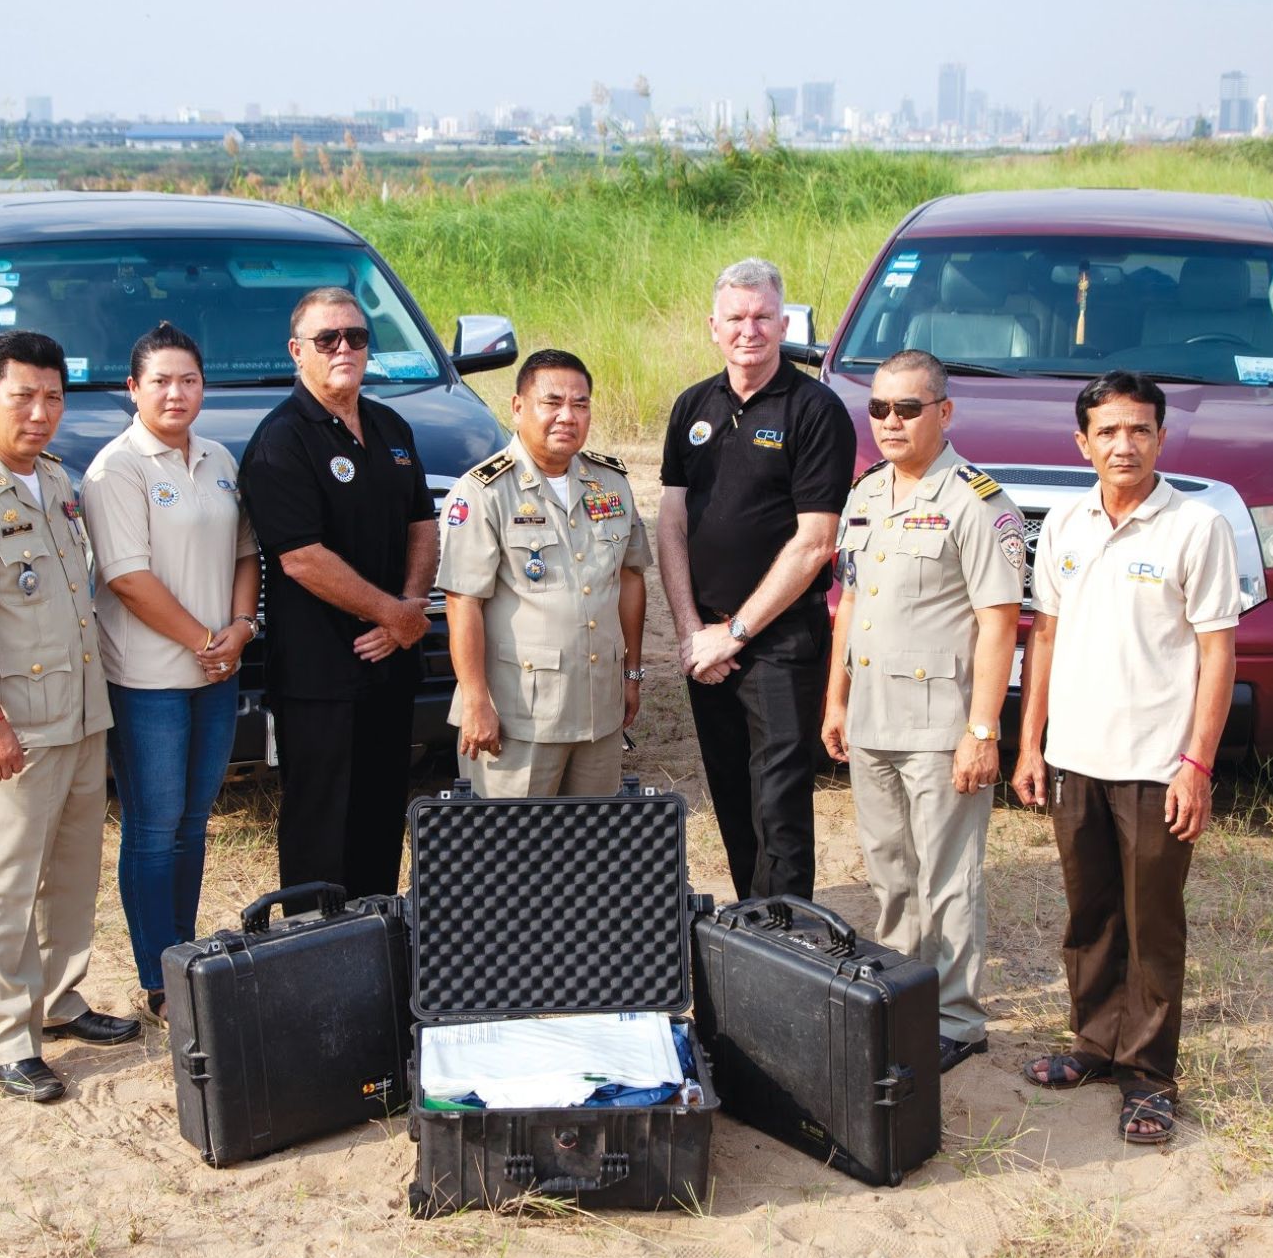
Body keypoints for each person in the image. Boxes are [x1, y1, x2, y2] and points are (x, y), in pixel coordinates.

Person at [1010, 370, 1242, 1144]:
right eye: (1108, 431)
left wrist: (1197, 764)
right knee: (1090, 917)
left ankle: (1147, 1076)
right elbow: (1042, 636)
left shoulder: (1195, 528)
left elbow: (1218, 651)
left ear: (1161, 438)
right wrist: (1031, 742)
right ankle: (1093, 1044)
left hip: (1155, 764)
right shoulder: (1068, 523)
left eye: (1139, 429)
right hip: (1076, 756)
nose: (1124, 444)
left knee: (1152, 922)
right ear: (1082, 442)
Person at [0, 329, 138, 1103]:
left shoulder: (54, 478)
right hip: (15, 726)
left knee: (73, 873)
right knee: (7, 882)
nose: (40, 412)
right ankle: (9, 1035)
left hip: (78, 716)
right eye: (23, 397)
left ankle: (62, 997)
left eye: (53, 397)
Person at [820, 350, 1024, 1075]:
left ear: (944, 412)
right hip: (874, 716)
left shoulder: (977, 501)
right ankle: (901, 998)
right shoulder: (867, 492)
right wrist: (836, 697)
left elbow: (999, 623)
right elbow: (847, 605)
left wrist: (982, 729)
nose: (891, 422)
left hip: (942, 728)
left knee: (948, 877)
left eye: (908, 408)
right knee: (890, 872)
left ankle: (958, 1017)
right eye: (879, 408)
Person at [658, 258, 857, 899]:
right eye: (737, 318)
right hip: (707, 651)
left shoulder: (816, 410)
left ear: (784, 322)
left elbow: (815, 543)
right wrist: (693, 633)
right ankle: (748, 933)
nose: (751, 330)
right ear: (713, 327)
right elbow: (670, 524)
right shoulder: (693, 405)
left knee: (779, 806)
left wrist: (734, 633)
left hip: (777, 645)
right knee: (731, 799)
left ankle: (787, 946)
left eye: (764, 317)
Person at [81, 322, 260, 1027]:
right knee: (153, 828)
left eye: (189, 379)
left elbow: (248, 551)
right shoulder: (116, 469)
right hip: (149, 675)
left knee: (194, 822)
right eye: (160, 380)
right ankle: (157, 972)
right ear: (133, 389)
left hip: (217, 670)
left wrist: (240, 630)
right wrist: (201, 639)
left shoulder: (218, 457)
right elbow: (126, 577)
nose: (176, 392)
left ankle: (182, 954)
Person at [240, 287, 437, 904]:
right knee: (321, 831)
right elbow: (301, 559)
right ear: (298, 351)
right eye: (328, 339)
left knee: (380, 823)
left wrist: (409, 609)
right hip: (320, 677)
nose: (345, 348)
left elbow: (422, 525)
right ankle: (313, 956)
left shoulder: (390, 426)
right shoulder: (281, 442)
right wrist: (395, 614)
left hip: (390, 665)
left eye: (356, 336)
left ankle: (374, 945)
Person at [438, 349, 651, 797]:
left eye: (580, 404)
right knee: (515, 855)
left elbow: (630, 578)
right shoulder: (485, 491)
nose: (567, 417)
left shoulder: (610, 482)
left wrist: (631, 674)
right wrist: (476, 700)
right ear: (518, 408)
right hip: (519, 717)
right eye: (551, 402)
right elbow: (463, 602)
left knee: (592, 849)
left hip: (599, 709)